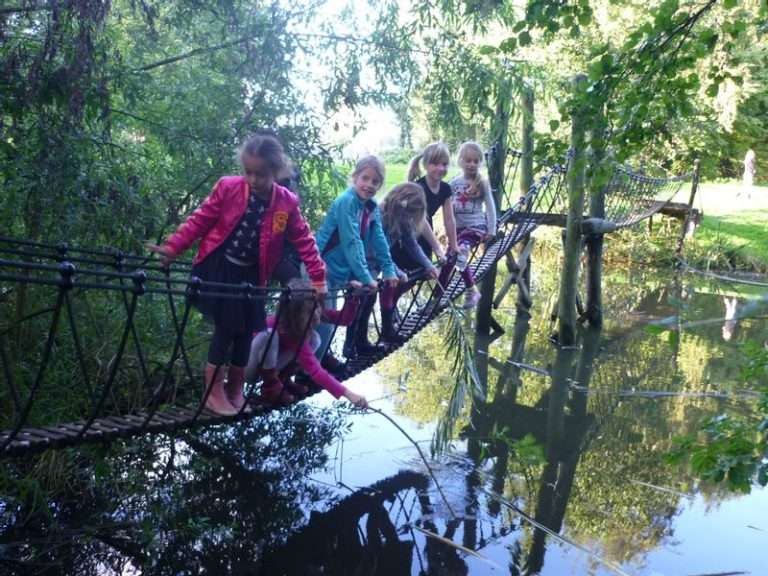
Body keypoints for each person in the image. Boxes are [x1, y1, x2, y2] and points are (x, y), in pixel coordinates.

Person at [148, 133, 326, 415]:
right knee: (228, 327)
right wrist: (174, 247)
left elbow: (304, 239)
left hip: (253, 274)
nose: (253, 180)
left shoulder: (286, 202)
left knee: (246, 331)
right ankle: (213, 389)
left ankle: (235, 388)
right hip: (221, 268)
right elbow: (201, 219)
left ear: (275, 172)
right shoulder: (228, 188)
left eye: (261, 174)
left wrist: (318, 278)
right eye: (248, 172)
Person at [314, 156, 400, 370]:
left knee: (327, 323)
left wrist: (389, 269)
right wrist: (365, 277)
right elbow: (351, 241)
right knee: (317, 323)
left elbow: (378, 239)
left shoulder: (370, 207)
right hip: (318, 270)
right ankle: (306, 371)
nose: (369, 185)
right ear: (354, 177)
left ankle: (314, 367)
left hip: (338, 273)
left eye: (375, 182)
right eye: (365, 178)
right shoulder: (347, 202)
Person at [245, 278, 368, 407]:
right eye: (310, 310)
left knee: (314, 338)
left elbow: (344, 320)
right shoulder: (287, 327)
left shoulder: (309, 313)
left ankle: (283, 380)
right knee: (269, 334)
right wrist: (349, 394)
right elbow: (315, 370)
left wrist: (352, 298)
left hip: (272, 367)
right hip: (250, 369)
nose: (317, 313)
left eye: (318, 306)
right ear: (296, 313)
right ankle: (271, 388)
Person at [377, 182, 438, 345]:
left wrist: (429, 265)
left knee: (368, 301)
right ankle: (354, 344)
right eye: (410, 214)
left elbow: (412, 244)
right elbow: (378, 249)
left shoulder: (402, 219)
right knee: (361, 303)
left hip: (378, 264)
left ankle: (386, 331)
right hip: (366, 262)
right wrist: (396, 271)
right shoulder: (379, 217)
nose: (410, 218)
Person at [448, 141, 497, 309]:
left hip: (476, 227)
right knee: (449, 261)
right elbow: (449, 212)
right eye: (468, 160)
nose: (472, 164)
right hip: (458, 230)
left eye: (476, 161)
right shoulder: (453, 184)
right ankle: (437, 295)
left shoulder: (482, 182)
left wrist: (492, 229)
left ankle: (472, 290)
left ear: (480, 163)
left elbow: (490, 206)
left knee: (461, 252)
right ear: (460, 161)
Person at [407, 142, 458, 264]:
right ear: (425, 165)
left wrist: (454, 244)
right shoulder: (418, 188)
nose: (440, 168)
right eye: (435, 164)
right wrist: (436, 247)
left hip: (425, 232)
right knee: (408, 273)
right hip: (408, 232)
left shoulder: (445, 189)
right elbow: (421, 220)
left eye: (444, 164)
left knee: (424, 270)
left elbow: (449, 219)